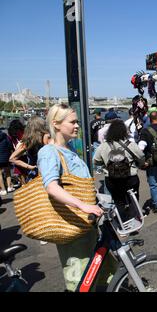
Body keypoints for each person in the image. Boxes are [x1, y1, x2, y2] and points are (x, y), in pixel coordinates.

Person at [37, 104, 116, 291]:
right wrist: (84, 206)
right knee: (81, 281)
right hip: (72, 228)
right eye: (72, 122)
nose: (77, 125)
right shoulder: (49, 152)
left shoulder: (69, 149)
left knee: (102, 273)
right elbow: (51, 187)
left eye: (77, 122)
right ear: (56, 124)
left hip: (85, 226)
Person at [93, 119, 144, 219]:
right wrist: (139, 164)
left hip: (112, 178)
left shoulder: (103, 146)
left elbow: (96, 161)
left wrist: (105, 164)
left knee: (118, 201)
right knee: (133, 199)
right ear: (124, 131)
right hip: (130, 177)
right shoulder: (131, 145)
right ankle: (134, 218)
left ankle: (123, 222)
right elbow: (141, 157)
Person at [9, 116, 52, 183]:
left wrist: (30, 167)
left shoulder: (29, 141)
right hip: (49, 172)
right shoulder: (47, 136)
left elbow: (12, 158)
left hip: (34, 174)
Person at [7, 119, 26, 187]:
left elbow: (10, 144)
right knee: (24, 171)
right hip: (23, 153)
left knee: (19, 171)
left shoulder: (10, 134)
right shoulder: (22, 132)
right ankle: (24, 184)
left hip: (16, 154)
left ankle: (23, 184)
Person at [89, 109, 105, 173]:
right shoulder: (105, 121)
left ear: (95, 114)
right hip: (105, 140)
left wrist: (91, 142)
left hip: (96, 141)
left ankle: (98, 169)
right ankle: (104, 167)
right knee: (104, 154)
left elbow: (91, 133)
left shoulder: (92, 122)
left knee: (97, 155)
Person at [0, 130, 14, 195]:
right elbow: (10, 145)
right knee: (7, 171)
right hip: (5, 157)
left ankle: (3, 190)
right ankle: (9, 187)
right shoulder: (5, 135)